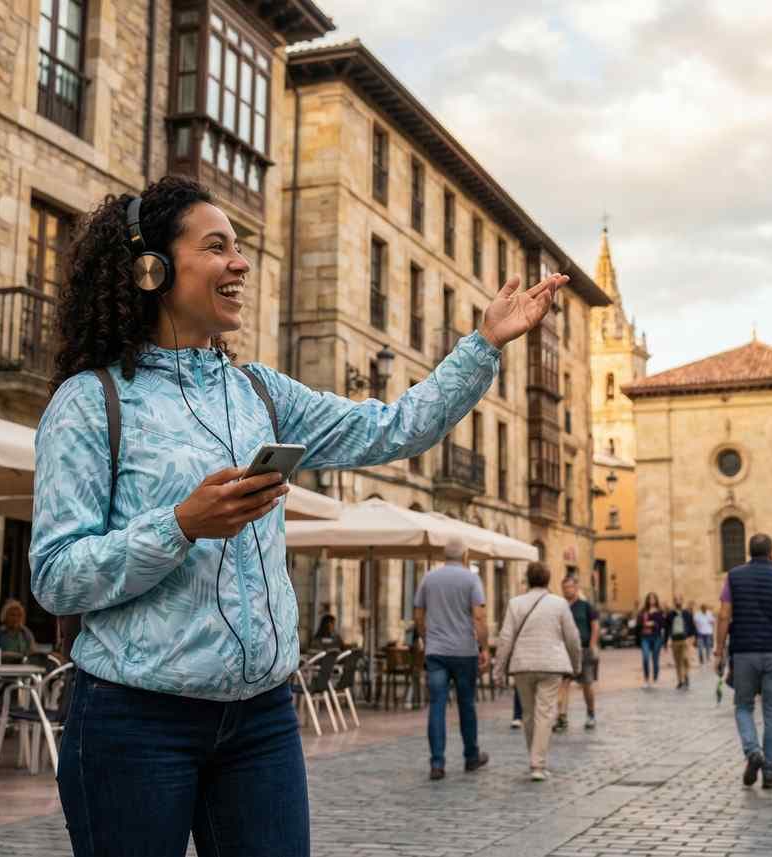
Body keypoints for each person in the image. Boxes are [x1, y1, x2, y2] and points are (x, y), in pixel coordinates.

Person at [30, 176, 566, 856]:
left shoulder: (259, 389)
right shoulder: (89, 401)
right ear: (152, 268)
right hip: (135, 720)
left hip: (261, 719)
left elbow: (394, 427)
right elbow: (55, 576)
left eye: (240, 247)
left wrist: (484, 344)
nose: (240, 262)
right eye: (217, 246)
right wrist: (181, 524)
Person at [713, 533, 772, 790]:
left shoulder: (734, 577)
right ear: (771, 554)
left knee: (743, 706)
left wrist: (719, 650)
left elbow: (724, 615)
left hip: (744, 652)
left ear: (749, 553)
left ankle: (753, 752)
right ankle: (769, 772)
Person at [493, 562, 582, 782]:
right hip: (551, 665)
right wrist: (576, 664)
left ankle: (535, 760)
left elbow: (505, 639)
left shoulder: (515, 603)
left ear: (528, 579)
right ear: (548, 579)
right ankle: (538, 764)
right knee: (545, 713)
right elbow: (573, 638)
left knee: (529, 714)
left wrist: (498, 670)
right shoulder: (559, 604)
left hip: (523, 665)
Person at [413, 539, 491, 780]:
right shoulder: (471, 579)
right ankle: (471, 756)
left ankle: (437, 763)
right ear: (465, 555)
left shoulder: (429, 578)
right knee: (466, 704)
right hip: (464, 651)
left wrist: (427, 639)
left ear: (444, 556)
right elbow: (479, 617)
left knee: (437, 705)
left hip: (436, 652)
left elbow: (418, 614)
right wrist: (484, 647)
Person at [554, 576, 599, 731]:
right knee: (563, 684)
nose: (567, 590)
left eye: (570, 587)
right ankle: (562, 718)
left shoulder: (585, 606)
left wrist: (592, 646)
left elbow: (595, 626)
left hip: (584, 649)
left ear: (576, 587)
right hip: (564, 651)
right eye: (565, 587)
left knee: (587, 684)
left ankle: (591, 713)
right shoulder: (560, 607)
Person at [635, 593, 667, 688]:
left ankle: (655, 679)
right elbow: (638, 623)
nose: (651, 600)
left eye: (653, 598)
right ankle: (646, 679)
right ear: (647, 600)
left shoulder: (660, 611)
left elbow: (663, 625)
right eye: (650, 598)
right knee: (645, 658)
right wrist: (644, 623)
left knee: (655, 659)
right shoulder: (643, 611)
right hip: (645, 637)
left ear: (656, 600)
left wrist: (654, 623)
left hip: (657, 637)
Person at [667, 595, 697, 690]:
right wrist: (666, 641)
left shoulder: (687, 613)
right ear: (674, 602)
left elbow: (692, 626)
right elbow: (667, 627)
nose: (678, 601)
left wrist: (693, 639)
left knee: (685, 659)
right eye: (676, 600)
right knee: (677, 662)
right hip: (675, 640)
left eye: (679, 599)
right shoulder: (670, 614)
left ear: (682, 601)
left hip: (685, 640)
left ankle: (686, 675)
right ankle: (680, 681)